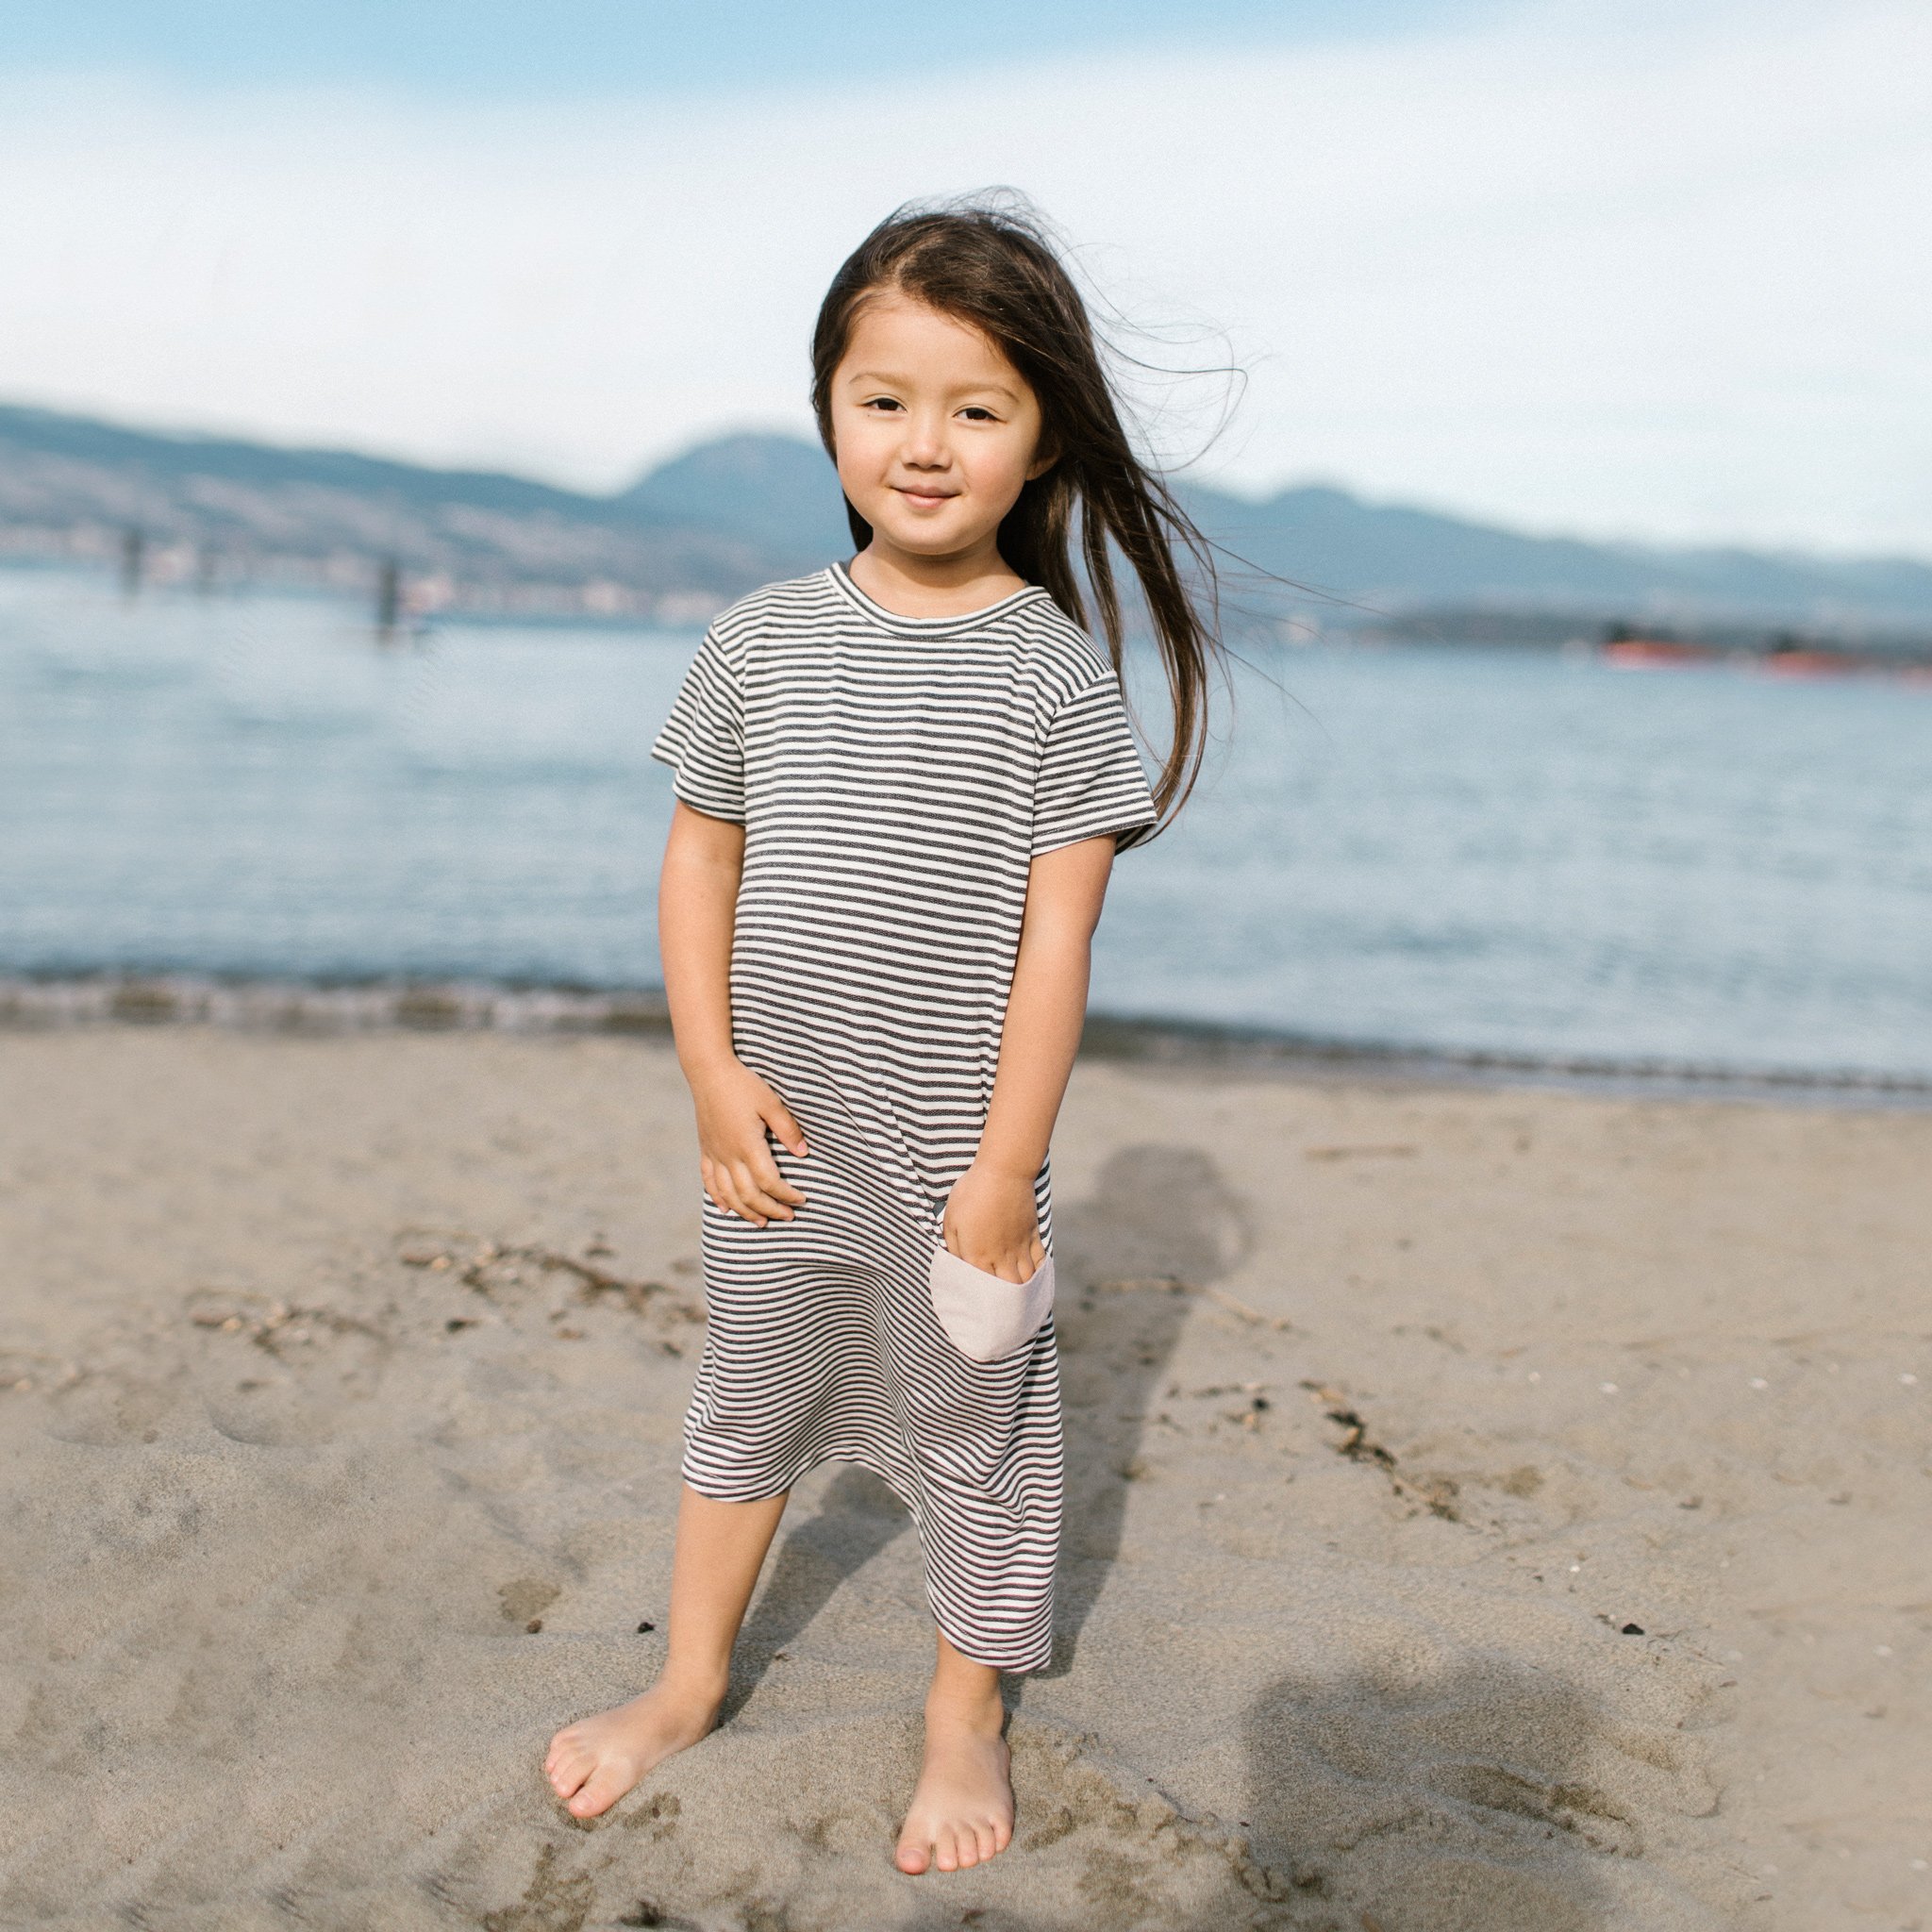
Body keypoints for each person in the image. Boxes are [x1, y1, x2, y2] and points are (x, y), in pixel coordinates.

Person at [544, 196, 1222, 1876]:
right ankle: (690, 1681)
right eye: (887, 401)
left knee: (978, 1437)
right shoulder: (761, 639)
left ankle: (962, 1714)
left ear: (1044, 434)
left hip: (950, 1160)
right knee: (747, 1404)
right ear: (830, 412)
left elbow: (1057, 950)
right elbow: (700, 857)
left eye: (977, 408)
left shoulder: (1057, 680)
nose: (927, 446)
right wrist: (710, 1072)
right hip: (775, 1133)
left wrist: (1005, 1173)